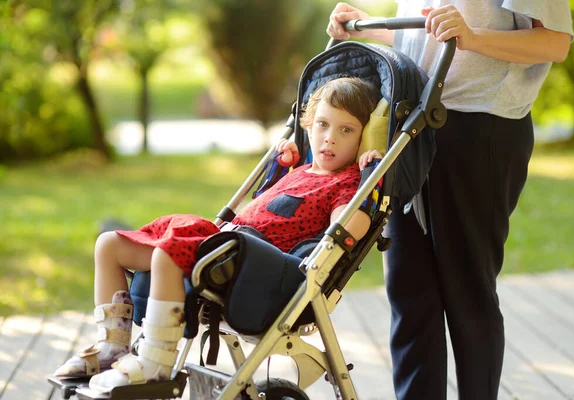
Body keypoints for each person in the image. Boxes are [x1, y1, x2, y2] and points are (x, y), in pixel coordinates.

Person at [52, 76, 383, 392]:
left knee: (169, 252)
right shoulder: (298, 171)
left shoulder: (347, 184)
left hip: (247, 263)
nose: (330, 138)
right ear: (309, 123)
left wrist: (369, 182)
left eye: (347, 130)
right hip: (223, 240)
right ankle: (112, 348)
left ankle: (155, 364)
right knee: (109, 245)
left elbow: (347, 231)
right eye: (323, 124)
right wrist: (280, 169)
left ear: (363, 138)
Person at [328, 2, 573, 399]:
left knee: (467, 294)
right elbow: (428, 41)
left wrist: (472, 38)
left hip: (481, 128)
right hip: (412, 123)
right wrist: (365, 28)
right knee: (410, 296)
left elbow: (555, 42)